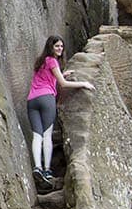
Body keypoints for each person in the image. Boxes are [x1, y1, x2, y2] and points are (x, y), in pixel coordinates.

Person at [26, 35, 94, 188]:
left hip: (32, 101)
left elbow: (49, 79)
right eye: (57, 46)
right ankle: (47, 170)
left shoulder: (40, 61)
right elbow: (62, 84)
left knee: (36, 135)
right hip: (46, 100)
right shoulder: (52, 60)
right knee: (47, 135)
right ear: (50, 47)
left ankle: (37, 167)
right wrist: (83, 83)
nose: (60, 49)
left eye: (61, 46)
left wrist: (61, 74)